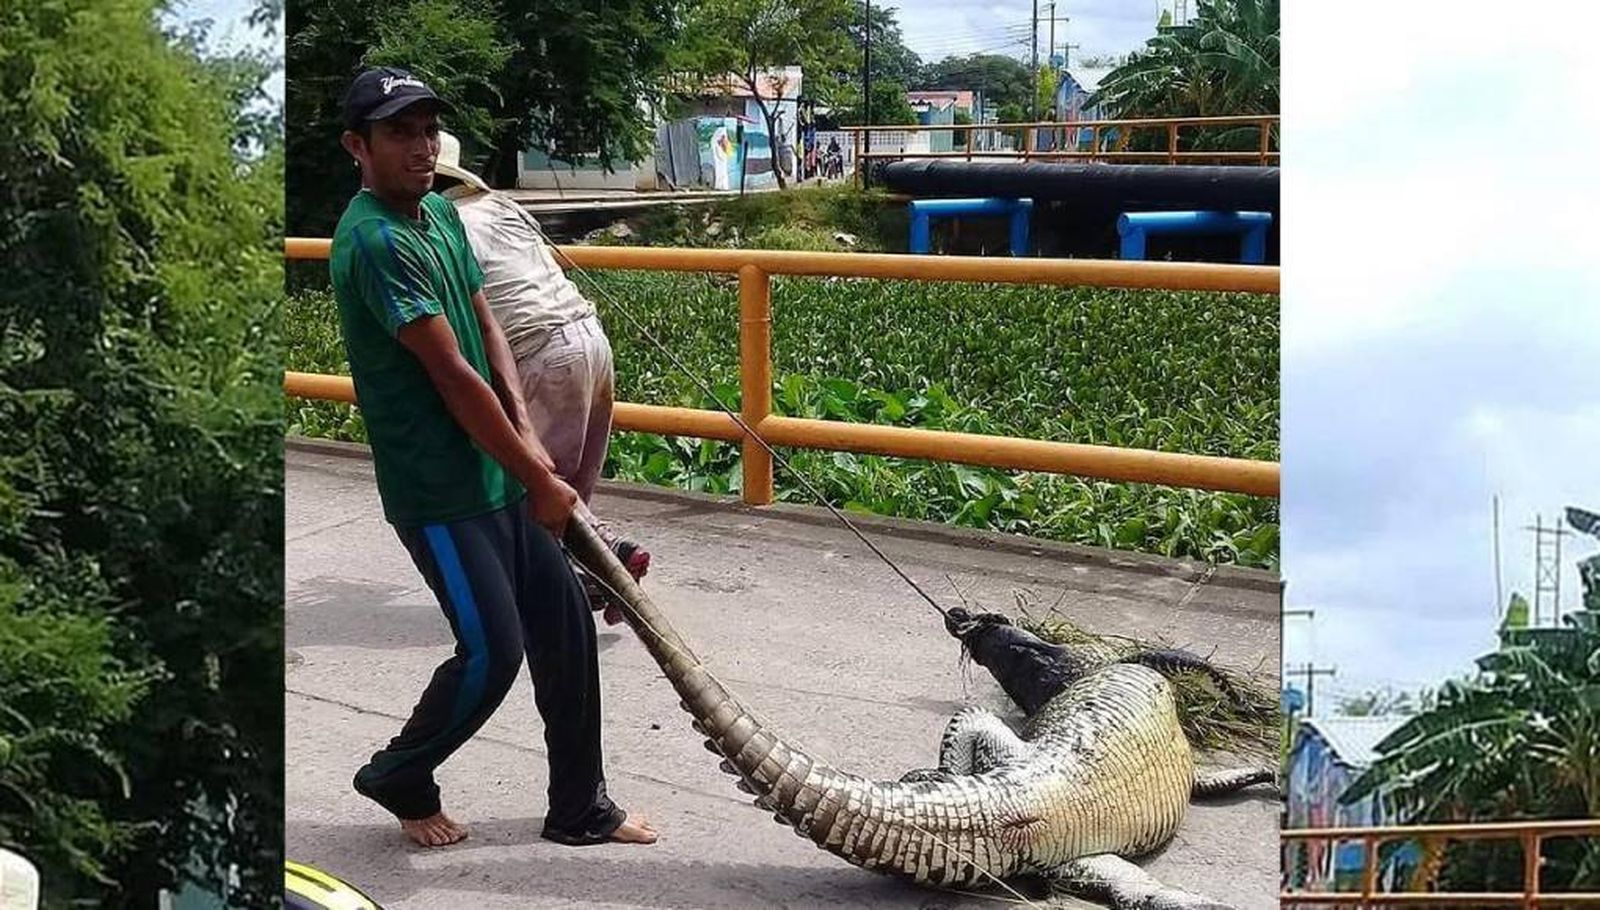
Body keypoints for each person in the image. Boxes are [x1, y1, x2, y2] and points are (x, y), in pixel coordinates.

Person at [328, 66, 657, 850]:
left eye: (427, 130)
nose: (420, 146)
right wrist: (538, 476)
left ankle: (580, 807)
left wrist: (529, 445)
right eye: (399, 133)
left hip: (499, 470)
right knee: (492, 651)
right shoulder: (375, 241)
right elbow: (451, 374)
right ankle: (400, 773)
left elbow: (488, 329)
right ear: (357, 146)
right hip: (439, 488)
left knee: (567, 626)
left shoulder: (441, 215)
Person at [429, 131, 647, 626]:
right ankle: (589, 579)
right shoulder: (502, 207)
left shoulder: (443, 227)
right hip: (589, 338)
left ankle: (608, 555)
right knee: (568, 495)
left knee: (532, 487)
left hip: (539, 353)